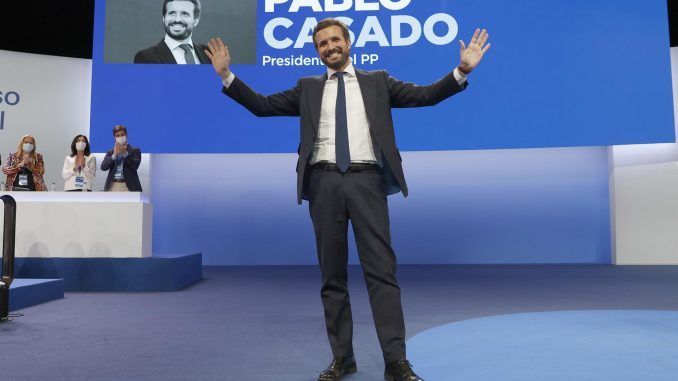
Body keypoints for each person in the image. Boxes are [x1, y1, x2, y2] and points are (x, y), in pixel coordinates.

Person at [205, 18, 491, 381]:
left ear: (349, 42)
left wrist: (461, 70)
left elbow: (426, 96)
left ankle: (396, 363)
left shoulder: (378, 82)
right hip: (323, 184)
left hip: (367, 182)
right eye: (322, 43)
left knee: (382, 275)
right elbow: (261, 106)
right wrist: (227, 76)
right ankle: (343, 359)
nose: (329, 47)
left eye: (334, 40)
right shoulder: (307, 88)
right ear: (317, 50)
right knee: (332, 277)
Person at [134, 0, 211, 64]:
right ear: (164, 18)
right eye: (172, 13)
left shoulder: (211, 54)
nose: (177, 19)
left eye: (184, 14)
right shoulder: (146, 58)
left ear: (196, 20)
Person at [101, 125, 142, 192]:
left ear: (126, 135)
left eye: (122, 134)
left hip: (128, 186)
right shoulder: (111, 152)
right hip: (113, 185)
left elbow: (135, 165)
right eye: (117, 135)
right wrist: (115, 155)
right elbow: (103, 167)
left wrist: (125, 154)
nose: (120, 137)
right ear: (114, 137)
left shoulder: (135, 150)